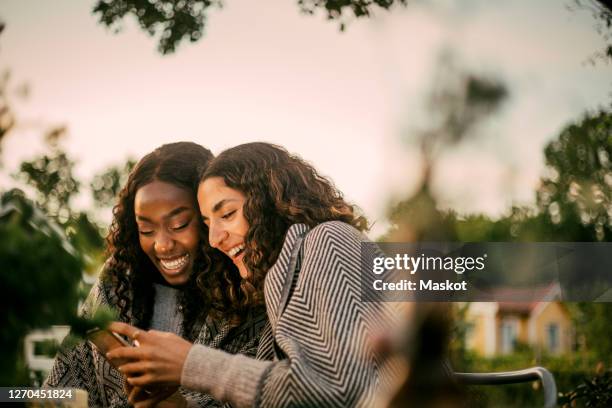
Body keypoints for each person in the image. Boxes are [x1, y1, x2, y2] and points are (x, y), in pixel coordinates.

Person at [108, 142, 396, 407]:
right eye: (208, 223)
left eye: (228, 214)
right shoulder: (277, 305)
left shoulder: (328, 239)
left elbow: (343, 388)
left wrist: (190, 363)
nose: (214, 239)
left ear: (270, 200)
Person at [45, 142, 268, 407]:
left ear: (209, 218)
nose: (162, 244)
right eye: (146, 230)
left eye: (179, 224)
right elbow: (60, 392)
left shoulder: (251, 295)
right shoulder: (116, 284)